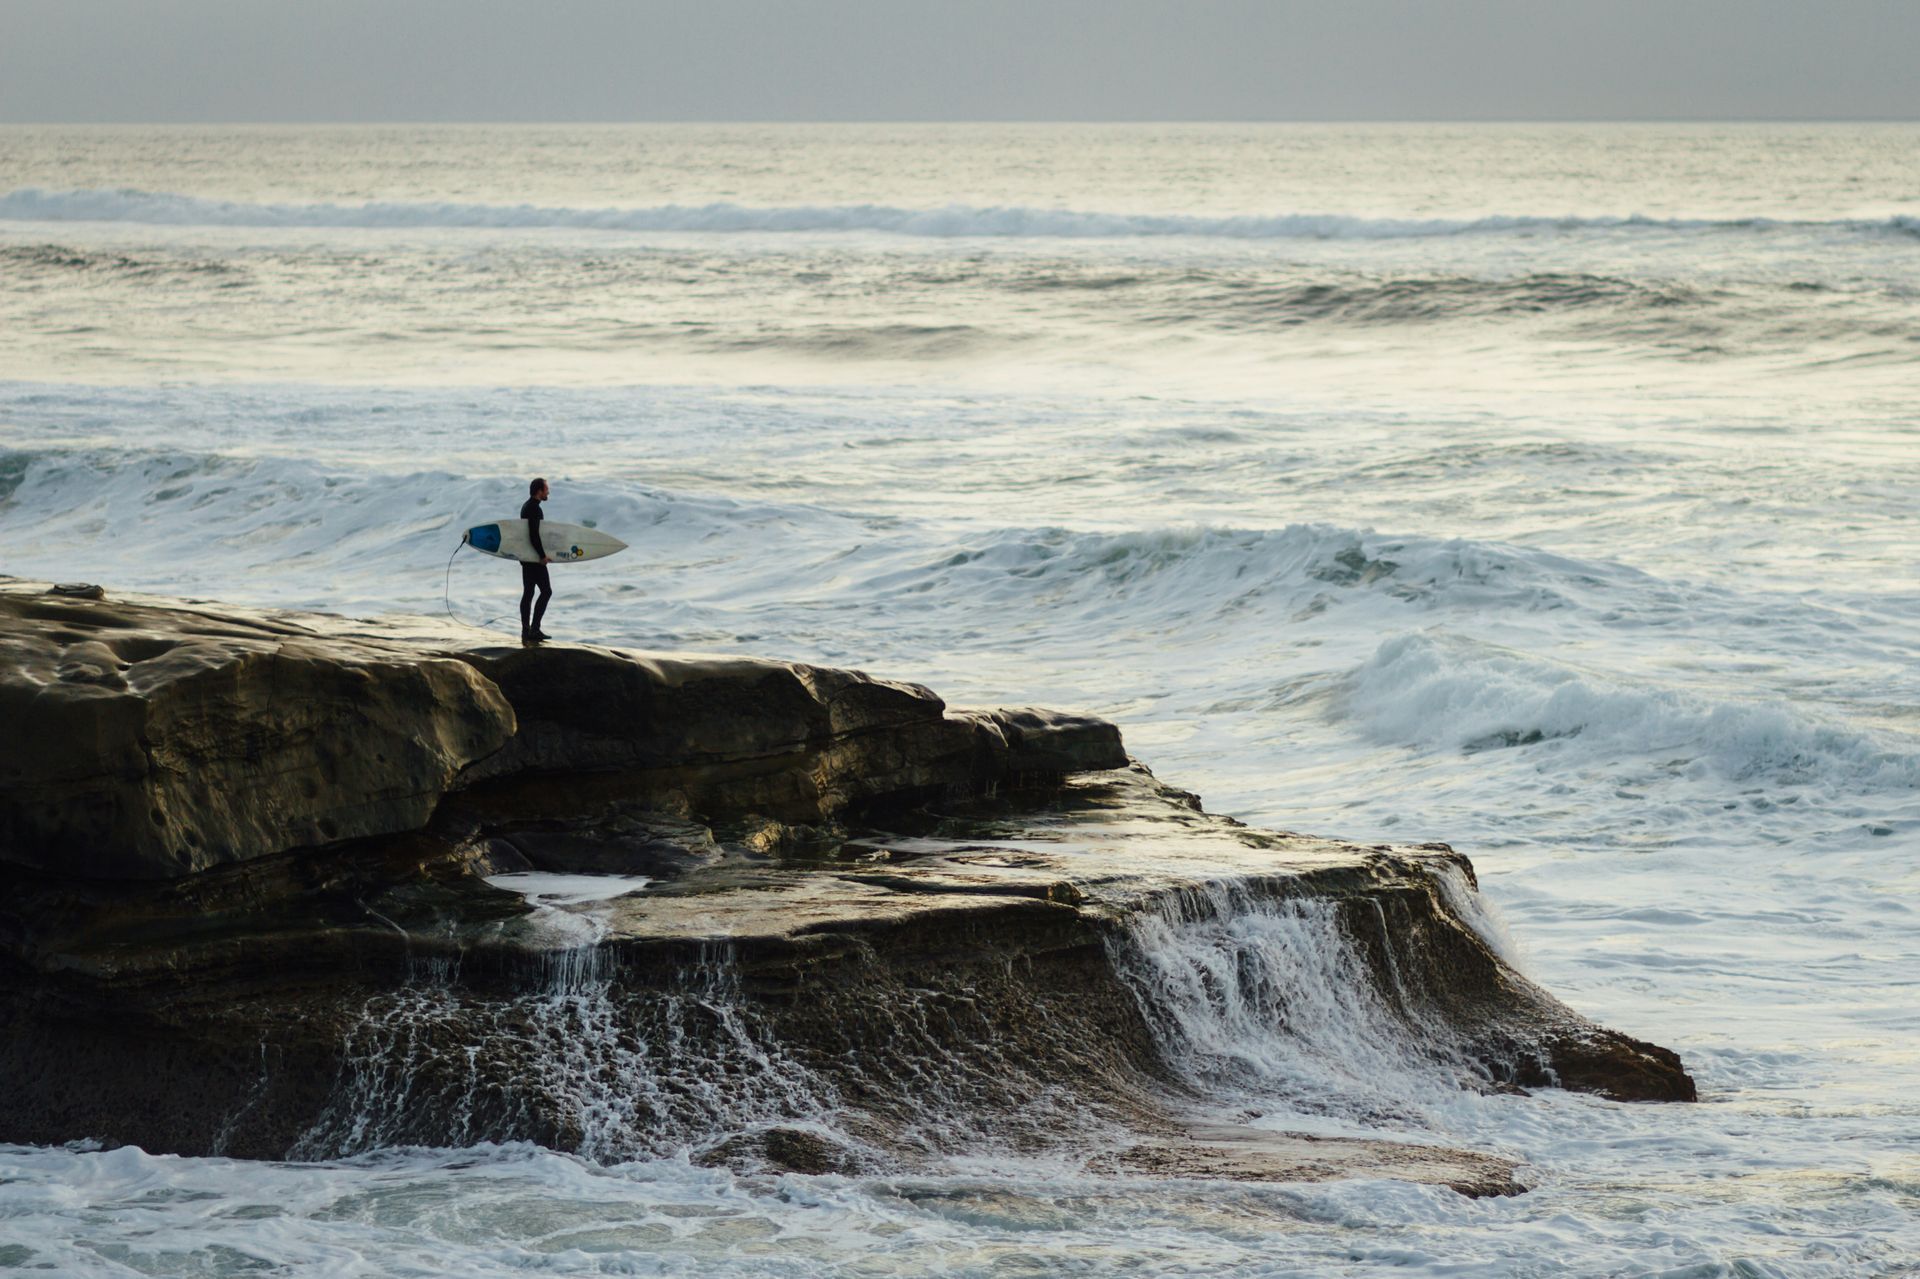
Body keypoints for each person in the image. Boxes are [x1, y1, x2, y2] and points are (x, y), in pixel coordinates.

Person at [519, 476, 554, 644]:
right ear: (539, 491)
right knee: (546, 591)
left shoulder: (526, 506)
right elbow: (534, 535)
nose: (548, 492)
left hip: (526, 557)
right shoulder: (534, 509)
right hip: (533, 558)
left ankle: (526, 631)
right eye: (546, 489)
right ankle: (535, 628)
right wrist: (542, 556)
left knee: (529, 593)